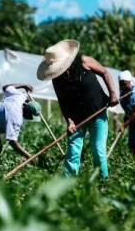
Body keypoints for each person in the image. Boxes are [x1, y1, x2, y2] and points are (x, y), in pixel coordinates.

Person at [37, 39, 118, 178]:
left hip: (97, 111)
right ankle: (68, 183)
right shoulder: (56, 78)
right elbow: (63, 101)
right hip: (76, 118)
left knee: (98, 149)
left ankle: (103, 182)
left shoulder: (84, 61)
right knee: (73, 152)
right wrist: (69, 121)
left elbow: (105, 72)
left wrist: (112, 93)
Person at [0, 84, 42, 158]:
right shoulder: (15, 117)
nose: (31, 119)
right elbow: (12, 141)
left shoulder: (20, 97)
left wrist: (23, 85)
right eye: (31, 117)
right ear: (27, 112)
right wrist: (29, 156)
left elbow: (6, 87)